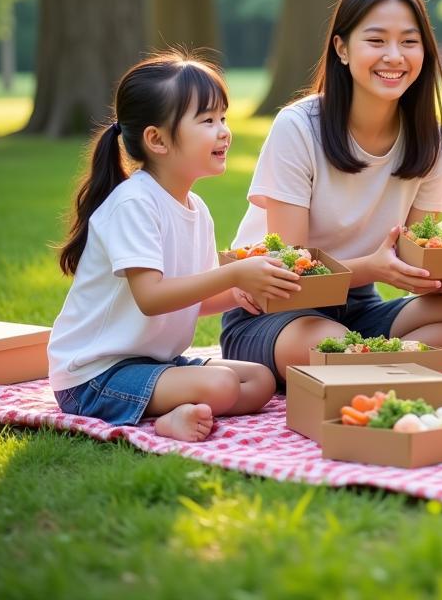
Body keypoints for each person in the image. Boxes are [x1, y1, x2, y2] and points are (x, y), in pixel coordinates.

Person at [220, 0, 442, 386]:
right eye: (376, 41)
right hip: (276, 314)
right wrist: (376, 268)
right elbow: (292, 273)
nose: (394, 56)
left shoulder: (433, 142)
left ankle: (372, 372)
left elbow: (411, 254)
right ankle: (389, 371)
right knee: (332, 344)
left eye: (409, 42)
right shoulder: (299, 128)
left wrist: (440, 275)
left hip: (359, 308)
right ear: (342, 48)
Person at [49, 53, 294, 442]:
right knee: (223, 387)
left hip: (153, 362)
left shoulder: (197, 209)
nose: (224, 131)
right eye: (207, 121)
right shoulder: (135, 204)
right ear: (157, 139)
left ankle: (174, 405)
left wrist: (239, 294)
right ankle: (167, 421)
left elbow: (188, 299)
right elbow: (151, 298)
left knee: (260, 379)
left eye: (224, 118)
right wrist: (232, 272)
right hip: (96, 374)